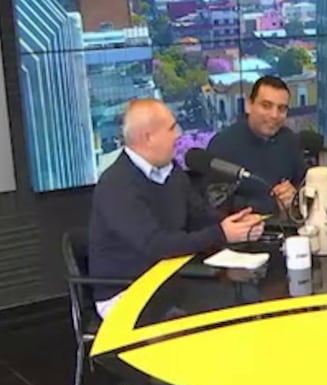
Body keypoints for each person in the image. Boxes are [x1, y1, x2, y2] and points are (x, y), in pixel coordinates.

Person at [89, 99, 266, 320]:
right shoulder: (116, 185)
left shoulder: (171, 171)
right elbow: (156, 245)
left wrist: (236, 224)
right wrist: (221, 233)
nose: (179, 134)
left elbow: (199, 215)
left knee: (242, 302)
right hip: (127, 293)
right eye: (172, 128)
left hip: (169, 281)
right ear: (149, 137)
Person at [207, 75, 307, 215]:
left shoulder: (288, 139)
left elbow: (303, 182)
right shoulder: (222, 145)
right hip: (244, 226)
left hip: (287, 223)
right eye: (266, 106)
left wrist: (294, 194)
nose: (274, 115)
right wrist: (270, 204)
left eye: (281, 109)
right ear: (249, 105)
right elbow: (216, 202)